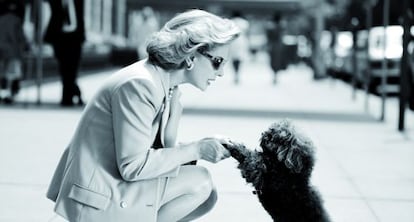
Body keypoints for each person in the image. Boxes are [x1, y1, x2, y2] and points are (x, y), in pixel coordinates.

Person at [46, 9, 240, 222]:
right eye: (218, 62)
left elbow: (162, 149)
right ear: (192, 55)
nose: (221, 72)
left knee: (207, 194)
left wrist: (204, 145)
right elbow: (133, 166)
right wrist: (197, 149)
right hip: (97, 198)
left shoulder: (165, 84)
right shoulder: (140, 85)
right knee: (200, 182)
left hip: (112, 185)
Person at [44, 0, 85, 106]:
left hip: (75, 38)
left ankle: (68, 97)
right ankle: (71, 94)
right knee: (64, 68)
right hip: (59, 38)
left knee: (73, 68)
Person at [0, 0, 28, 104]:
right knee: (11, 74)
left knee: (2, 73)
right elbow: (20, 37)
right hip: (12, 50)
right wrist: (26, 46)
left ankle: (2, 92)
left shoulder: (1, 19)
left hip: (1, 49)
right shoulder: (16, 20)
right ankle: (8, 94)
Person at [229, 11, 250, 85]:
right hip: (242, 40)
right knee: (240, 57)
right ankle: (238, 73)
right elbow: (248, 33)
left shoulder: (230, 22)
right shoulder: (244, 22)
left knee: (233, 58)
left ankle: (235, 73)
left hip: (233, 41)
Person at [266, 13, 286, 85]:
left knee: (274, 61)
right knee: (277, 61)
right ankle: (275, 75)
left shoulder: (271, 27)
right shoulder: (280, 27)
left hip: (273, 46)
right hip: (278, 46)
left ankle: (275, 75)